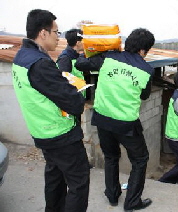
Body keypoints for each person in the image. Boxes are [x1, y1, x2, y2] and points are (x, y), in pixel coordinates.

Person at [12, 9, 90, 212]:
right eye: (57, 32)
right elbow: (74, 104)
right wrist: (74, 89)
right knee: (78, 184)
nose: (59, 37)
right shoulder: (39, 64)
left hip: (42, 132)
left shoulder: (21, 57)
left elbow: (42, 90)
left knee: (55, 180)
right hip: (60, 134)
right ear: (43, 33)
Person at [75, 28, 155, 212]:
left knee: (111, 157)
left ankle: (112, 196)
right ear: (144, 50)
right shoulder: (147, 70)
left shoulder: (108, 58)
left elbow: (80, 64)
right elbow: (144, 96)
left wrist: (85, 50)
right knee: (140, 159)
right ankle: (132, 202)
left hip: (103, 118)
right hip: (127, 124)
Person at [57, 28, 87, 122]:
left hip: (77, 100)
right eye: (84, 41)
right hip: (71, 104)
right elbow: (63, 83)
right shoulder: (65, 59)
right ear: (78, 42)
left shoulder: (77, 56)